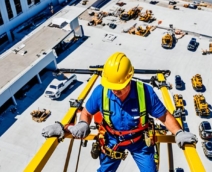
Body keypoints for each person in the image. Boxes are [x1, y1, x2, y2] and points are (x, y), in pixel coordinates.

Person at [42, 52, 197, 172]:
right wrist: (83, 123)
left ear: (129, 78)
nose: (115, 91)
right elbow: (87, 112)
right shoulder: (101, 92)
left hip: (140, 143)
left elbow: (164, 116)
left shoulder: (145, 92)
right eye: (112, 87)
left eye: (119, 87)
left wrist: (178, 132)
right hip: (111, 141)